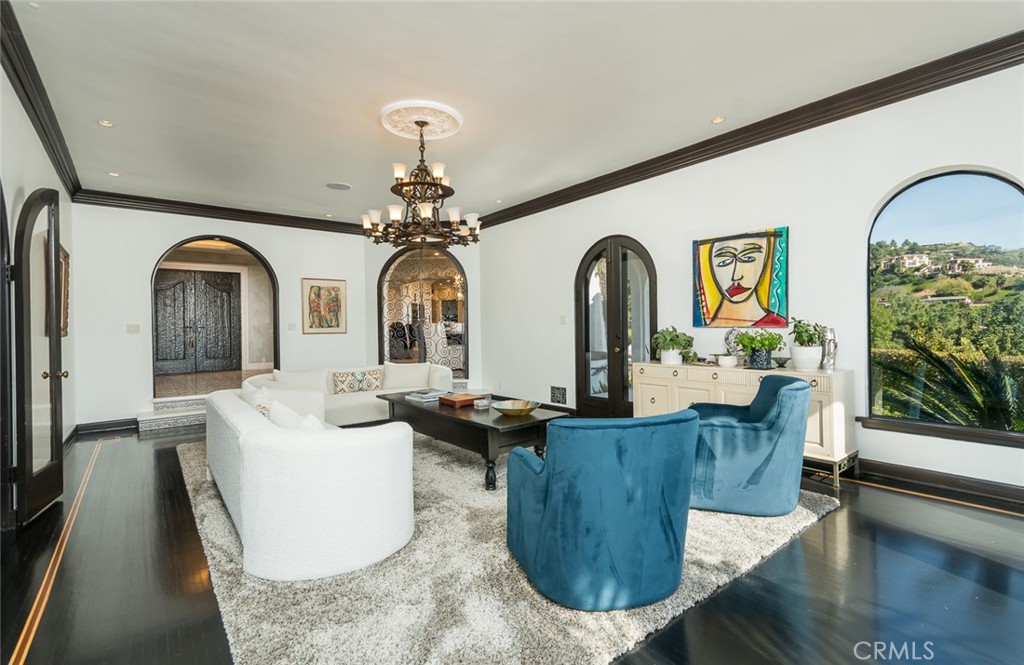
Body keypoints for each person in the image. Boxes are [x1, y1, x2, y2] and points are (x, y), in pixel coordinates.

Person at [696, 229, 787, 327]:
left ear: (765, 259)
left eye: (748, 259)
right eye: (724, 262)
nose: (736, 276)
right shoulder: (703, 328)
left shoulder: (777, 324)